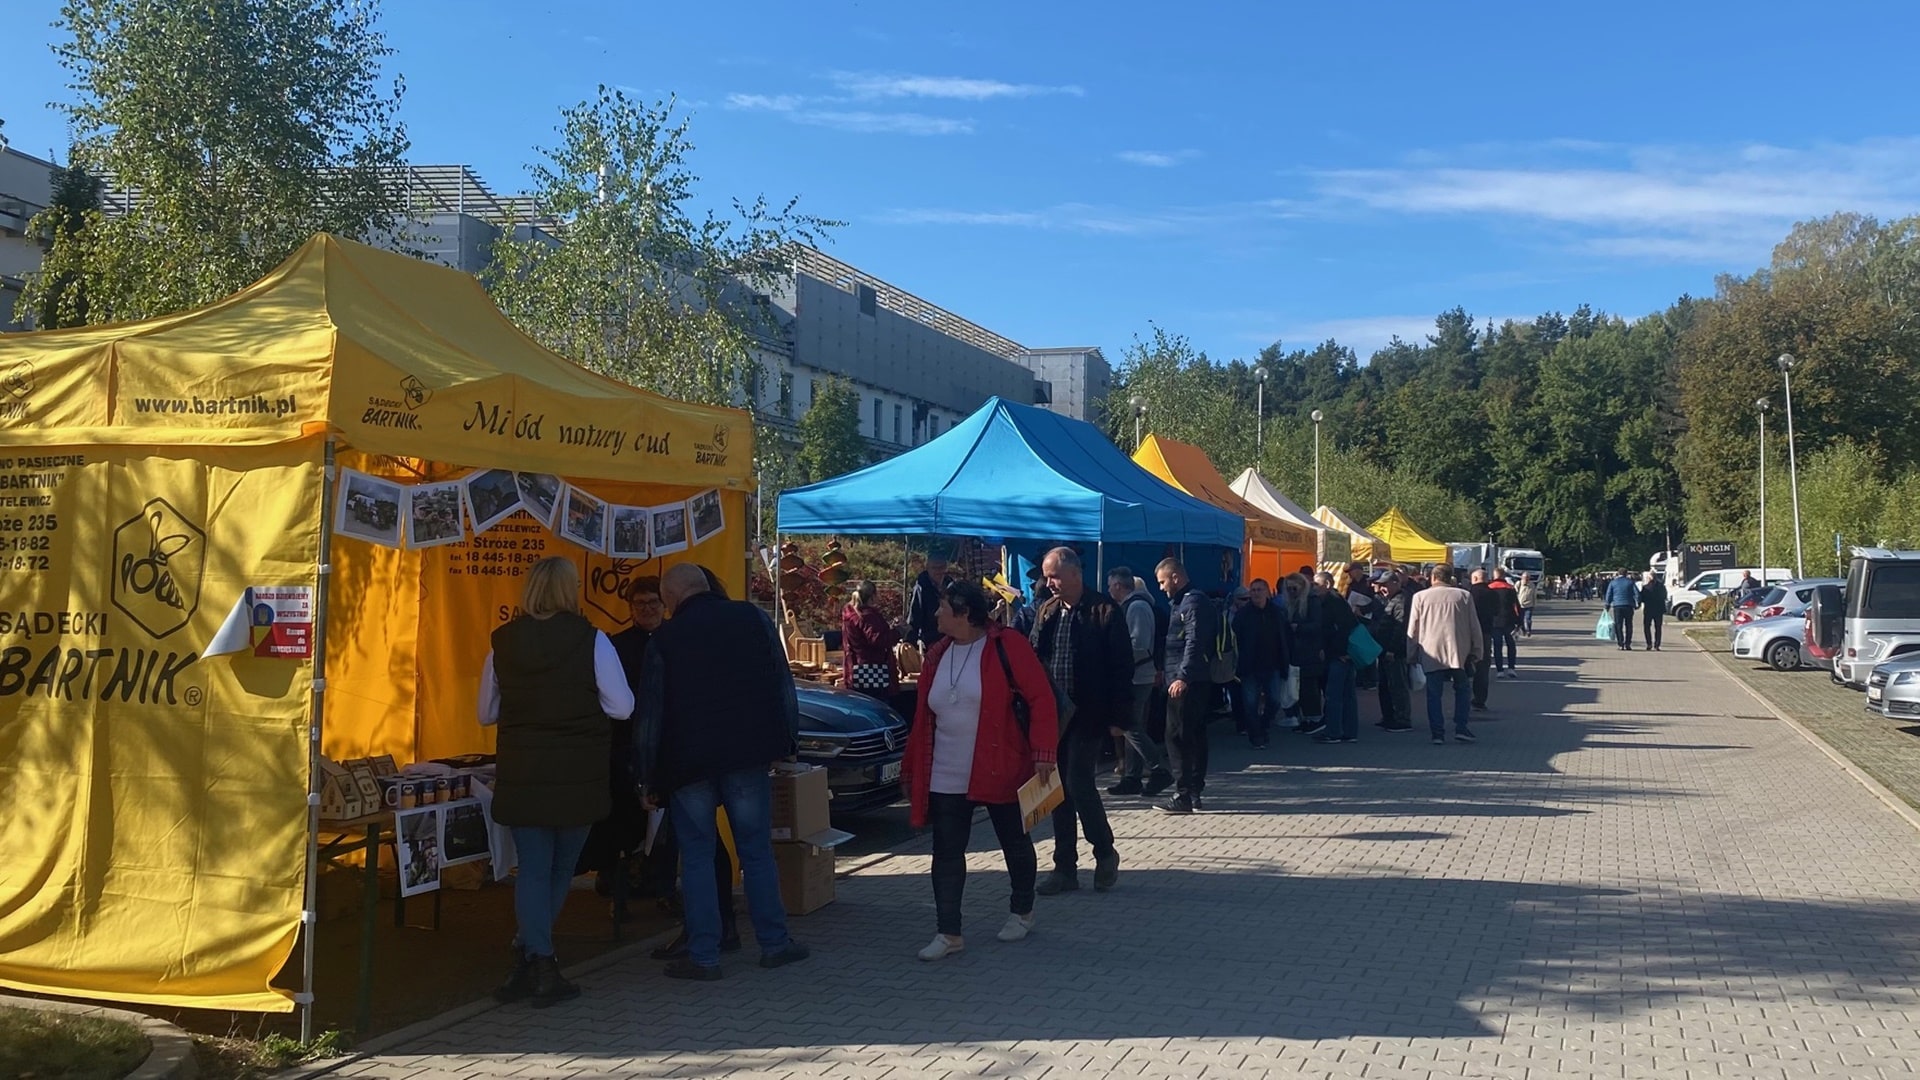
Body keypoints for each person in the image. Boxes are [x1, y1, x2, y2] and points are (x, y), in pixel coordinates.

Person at [634, 564, 810, 980]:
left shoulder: (665, 639)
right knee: (756, 850)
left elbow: (651, 713)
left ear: (671, 598)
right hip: (746, 755)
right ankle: (775, 944)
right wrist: (788, 742)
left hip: (688, 763)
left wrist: (646, 775)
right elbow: (781, 682)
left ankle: (704, 956)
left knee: (696, 857)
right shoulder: (752, 618)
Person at [479, 557, 635, 1007]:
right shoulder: (592, 640)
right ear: (570, 590)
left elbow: (485, 713)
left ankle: (530, 960)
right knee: (561, 869)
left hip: (523, 772)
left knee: (531, 869)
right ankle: (540, 962)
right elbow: (622, 706)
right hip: (577, 774)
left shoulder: (502, 642)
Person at [904, 578, 1059, 961]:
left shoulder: (1007, 645)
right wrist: (912, 768)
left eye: (943, 608)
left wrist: (1044, 751)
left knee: (1014, 841)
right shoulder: (937, 653)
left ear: (964, 614)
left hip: (999, 763)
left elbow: (1041, 698)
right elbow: (923, 718)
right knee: (946, 851)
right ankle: (948, 932)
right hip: (946, 770)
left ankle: (1022, 911)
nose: (936, 613)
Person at [1029, 547, 1132, 894]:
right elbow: (1034, 657)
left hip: (1089, 713)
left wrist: (1118, 718)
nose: (1049, 582)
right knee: (1056, 789)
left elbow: (1121, 667)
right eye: (1046, 576)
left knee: (1078, 782)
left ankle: (1104, 852)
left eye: (1054, 576)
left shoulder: (1105, 610)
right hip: (1054, 716)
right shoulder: (1047, 610)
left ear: (1075, 574)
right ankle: (1064, 869)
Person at [1154, 558, 1216, 814]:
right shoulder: (1185, 602)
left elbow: (1194, 642)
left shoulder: (1192, 602)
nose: (1161, 588)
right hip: (1188, 678)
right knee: (1193, 734)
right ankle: (1192, 792)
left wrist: (1182, 677)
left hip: (1187, 681)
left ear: (1176, 577)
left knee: (1177, 736)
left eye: (1162, 582)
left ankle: (1184, 794)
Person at [1106, 568, 1173, 796]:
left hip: (1137, 675)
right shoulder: (1133, 606)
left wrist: (1116, 660)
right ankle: (1132, 777)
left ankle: (1159, 768)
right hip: (1136, 674)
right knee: (1131, 725)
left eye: (1110, 585)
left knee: (1128, 724)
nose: (1108, 590)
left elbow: (1139, 643)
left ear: (1119, 585)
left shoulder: (1137, 607)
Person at [1406, 564, 1485, 745]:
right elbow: (1474, 626)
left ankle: (1437, 733)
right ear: (1450, 578)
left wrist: (1411, 654)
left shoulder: (1420, 597)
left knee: (1434, 694)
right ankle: (1461, 728)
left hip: (1431, 652)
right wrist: (1477, 651)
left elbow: (1413, 629)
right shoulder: (1464, 596)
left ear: (1432, 578)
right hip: (1459, 652)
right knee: (1462, 690)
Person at [1233, 579, 1290, 748]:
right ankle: (1256, 736)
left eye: (1259, 590)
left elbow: (1285, 636)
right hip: (1249, 666)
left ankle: (1264, 724)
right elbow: (1234, 638)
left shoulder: (1276, 612)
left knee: (1274, 701)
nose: (1256, 593)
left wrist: (1287, 658)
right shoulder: (1243, 615)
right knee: (1250, 704)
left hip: (1273, 665)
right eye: (1253, 590)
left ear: (1267, 592)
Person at [1312, 570, 1362, 744]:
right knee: (1347, 694)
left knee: (1334, 694)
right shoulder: (1335, 601)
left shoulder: (1333, 602)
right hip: (1344, 653)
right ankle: (1350, 732)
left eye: (1316, 585)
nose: (1313, 588)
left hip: (1339, 655)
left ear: (1327, 585)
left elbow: (1343, 628)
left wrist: (1341, 652)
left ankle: (1333, 732)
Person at [1281, 573, 1325, 734]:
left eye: (1294, 588)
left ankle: (1314, 718)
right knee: (1300, 687)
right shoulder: (1292, 603)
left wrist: (1298, 628)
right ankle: (1306, 718)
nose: (1291, 592)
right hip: (1298, 651)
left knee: (1309, 687)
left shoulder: (1312, 601)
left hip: (1310, 650)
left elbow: (1318, 625)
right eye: (1288, 589)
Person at [841, 579, 900, 697]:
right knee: (876, 705)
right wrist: (898, 632)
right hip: (874, 672)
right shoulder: (867, 616)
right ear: (873, 596)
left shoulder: (851, 614)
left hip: (855, 669)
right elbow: (878, 639)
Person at [1372, 570, 1414, 732]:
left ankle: (1402, 718)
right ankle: (1389, 716)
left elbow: (1400, 627)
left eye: (1385, 585)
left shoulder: (1401, 600)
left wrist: (1392, 650)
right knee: (1385, 685)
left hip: (1393, 652)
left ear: (1396, 583)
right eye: (1381, 585)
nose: (1382, 589)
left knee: (1397, 685)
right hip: (1384, 650)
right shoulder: (1391, 600)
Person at [908, 551, 955, 649]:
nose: (938, 571)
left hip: (950, 638)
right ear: (927, 568)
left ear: (946, 567)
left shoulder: (952, 586)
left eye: (941, 567)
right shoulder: (920, 588)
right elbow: (914, 617)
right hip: (928, 641)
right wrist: (913, 643)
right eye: (934, 568)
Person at [1487, 569, 1522, 679]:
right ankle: (1511, 668)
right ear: (1503, 576)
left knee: (1497, 646)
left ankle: (1500, 670)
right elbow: (1516, 606)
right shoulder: (1510, 588)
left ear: (1494, 575)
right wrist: (1519, 622)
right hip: (1509, 621)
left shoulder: (1489, 588)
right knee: (1511, 645)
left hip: (1494, 621)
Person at [1603, 569, 1640, 651]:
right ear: (1626, 574)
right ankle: (1628, 643)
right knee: (1629, 625)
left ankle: (1620, 643)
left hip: (1617, 605)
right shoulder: (1630, 582)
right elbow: (1637, 593)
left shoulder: (1613, 582)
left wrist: (1607, 604)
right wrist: (1638, 603)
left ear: (1618, 573)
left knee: (1618, 625)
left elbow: (1609, 594)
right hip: (1628, 605)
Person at [1640, 571, 1668, 651]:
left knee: (1647, 627)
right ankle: (1657, 645)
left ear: (1649, 578)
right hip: (1659, 609)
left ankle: (1649, 644)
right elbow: (1664, 596)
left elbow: (1642, 598)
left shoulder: (1646, 587)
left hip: (1648, 609)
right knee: (1658, 627)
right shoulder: (1661, 586)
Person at [1515, 573, 1539, 637]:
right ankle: (1523, 630)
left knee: (1528, 619)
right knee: (1521, 619)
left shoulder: (1532, 585)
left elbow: (1534, 595)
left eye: (1527, 578)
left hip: (1529, 605)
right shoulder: (1519, 584)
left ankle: (1528, 630)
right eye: (1525, 578)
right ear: (1522, 578)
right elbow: (1515, 593)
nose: (1526, 579)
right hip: (1521, 605)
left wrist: (1534, 604)